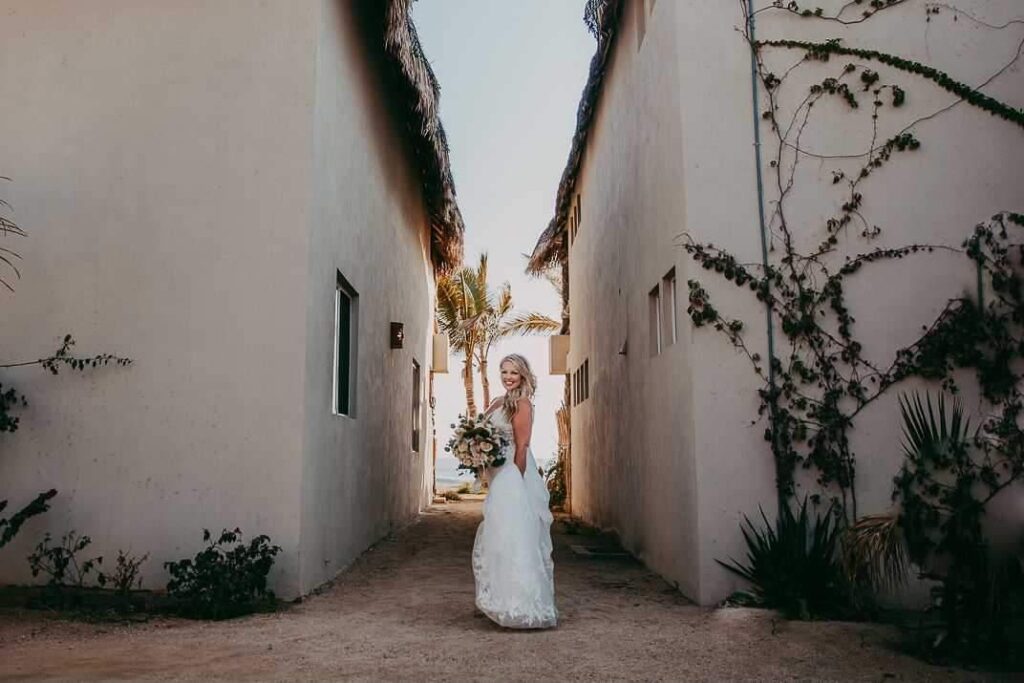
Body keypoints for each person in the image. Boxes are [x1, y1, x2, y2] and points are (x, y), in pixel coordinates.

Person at [472, 354, 558, 629]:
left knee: (517, 538)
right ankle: (501, 599)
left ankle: (523, 605)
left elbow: (522, 447)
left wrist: (517, 483)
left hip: (513, 474)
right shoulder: (498, 402)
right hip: (498, 473)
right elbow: (482, 432)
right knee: (500, 537)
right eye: (504, 372)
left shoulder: (522, 405)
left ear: (523, 376)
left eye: (514, 373)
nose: (508, 377)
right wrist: (475, 451)